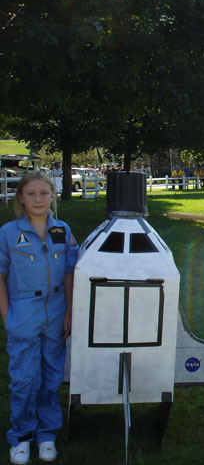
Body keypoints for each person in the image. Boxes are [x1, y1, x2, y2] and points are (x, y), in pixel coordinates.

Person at [0, 171, 79, 464]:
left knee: (51, 377)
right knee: (23, 378)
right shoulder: (9, 233)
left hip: (56, 314)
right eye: (31, 194)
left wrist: (70, 311)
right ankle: (21, 436)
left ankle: (47, 435)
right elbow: (1, 276)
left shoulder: (61, 230)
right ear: (21, 197)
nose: (38, 199)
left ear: (52, 196)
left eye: (43, 193)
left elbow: (70, 272)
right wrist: (9, 317)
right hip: (23, 314)